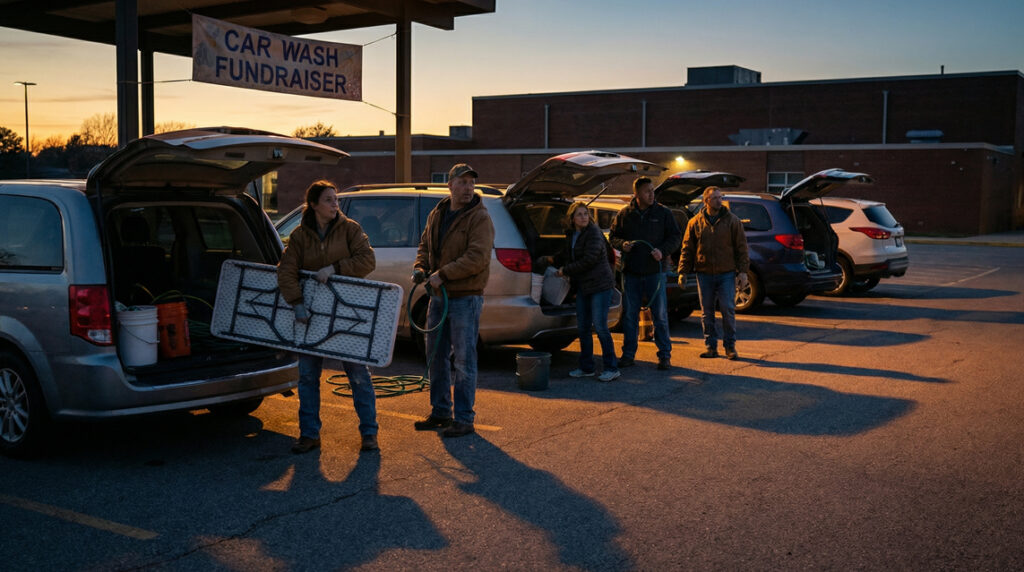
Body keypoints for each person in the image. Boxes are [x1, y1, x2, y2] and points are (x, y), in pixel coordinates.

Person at [277, 179, 378, 454]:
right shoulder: (299, 236)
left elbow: (368, 261)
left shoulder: (350, 229)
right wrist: (296, 303)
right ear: (313, 205)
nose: (336, 204)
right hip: (311, 316)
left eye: (336, 199)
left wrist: (335, 268)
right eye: (329, 200)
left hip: (346, 313)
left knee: (358, 374)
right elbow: (286, 270)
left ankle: (369, 434)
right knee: (307, 375)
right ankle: (309, 435)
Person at [411, 163, 495, 438]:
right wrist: (421, 267)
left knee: (463, 360)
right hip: (438, 298)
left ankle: (464, 418)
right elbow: (425, 245)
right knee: (435, 356)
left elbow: (477, 257)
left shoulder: (479, 217)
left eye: (471, 182)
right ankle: (440, 412)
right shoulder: (438, 213)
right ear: (450, 185)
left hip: (465, 299)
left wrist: (443, 274)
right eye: (462, 182)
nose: (468, 187)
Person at [609, 176, 681, 370]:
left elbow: (675, 237)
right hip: (631, 273)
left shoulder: (663, 213)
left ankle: (664, 355)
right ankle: (628, 355)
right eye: (647, 191)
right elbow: (613, 236)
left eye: (652, 190)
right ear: (637, 194)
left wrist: (662, 251)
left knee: (660, 315)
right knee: (630, 316)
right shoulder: (625, 214)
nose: (652, 194)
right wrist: (622, 245)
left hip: (654, 273)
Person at [546, 202, 619, 382]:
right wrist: (551, 259)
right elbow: (567, 253)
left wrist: (565, 271)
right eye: (579, 214)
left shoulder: (594, 233)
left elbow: (589, 260)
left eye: (585, 214)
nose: (583, 217)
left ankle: (611, 367)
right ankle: (586, 367)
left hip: (600, 285)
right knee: (583, 327)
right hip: (584, 286)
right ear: (572, 218)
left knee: (601, 326)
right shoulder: (572, 234)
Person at [678, 186, 750, 360]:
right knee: (707, 312)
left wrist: (743, 272)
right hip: (704, 273)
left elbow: (742, 247)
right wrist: (683, 271)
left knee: (727, 309)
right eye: (716, 198)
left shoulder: (732, 221)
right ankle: (711, 346)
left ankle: (730, 346)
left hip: (726, 272)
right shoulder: (695, 222)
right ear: (706, 201)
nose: (720, 200)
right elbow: (687, 248)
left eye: (720, 197)